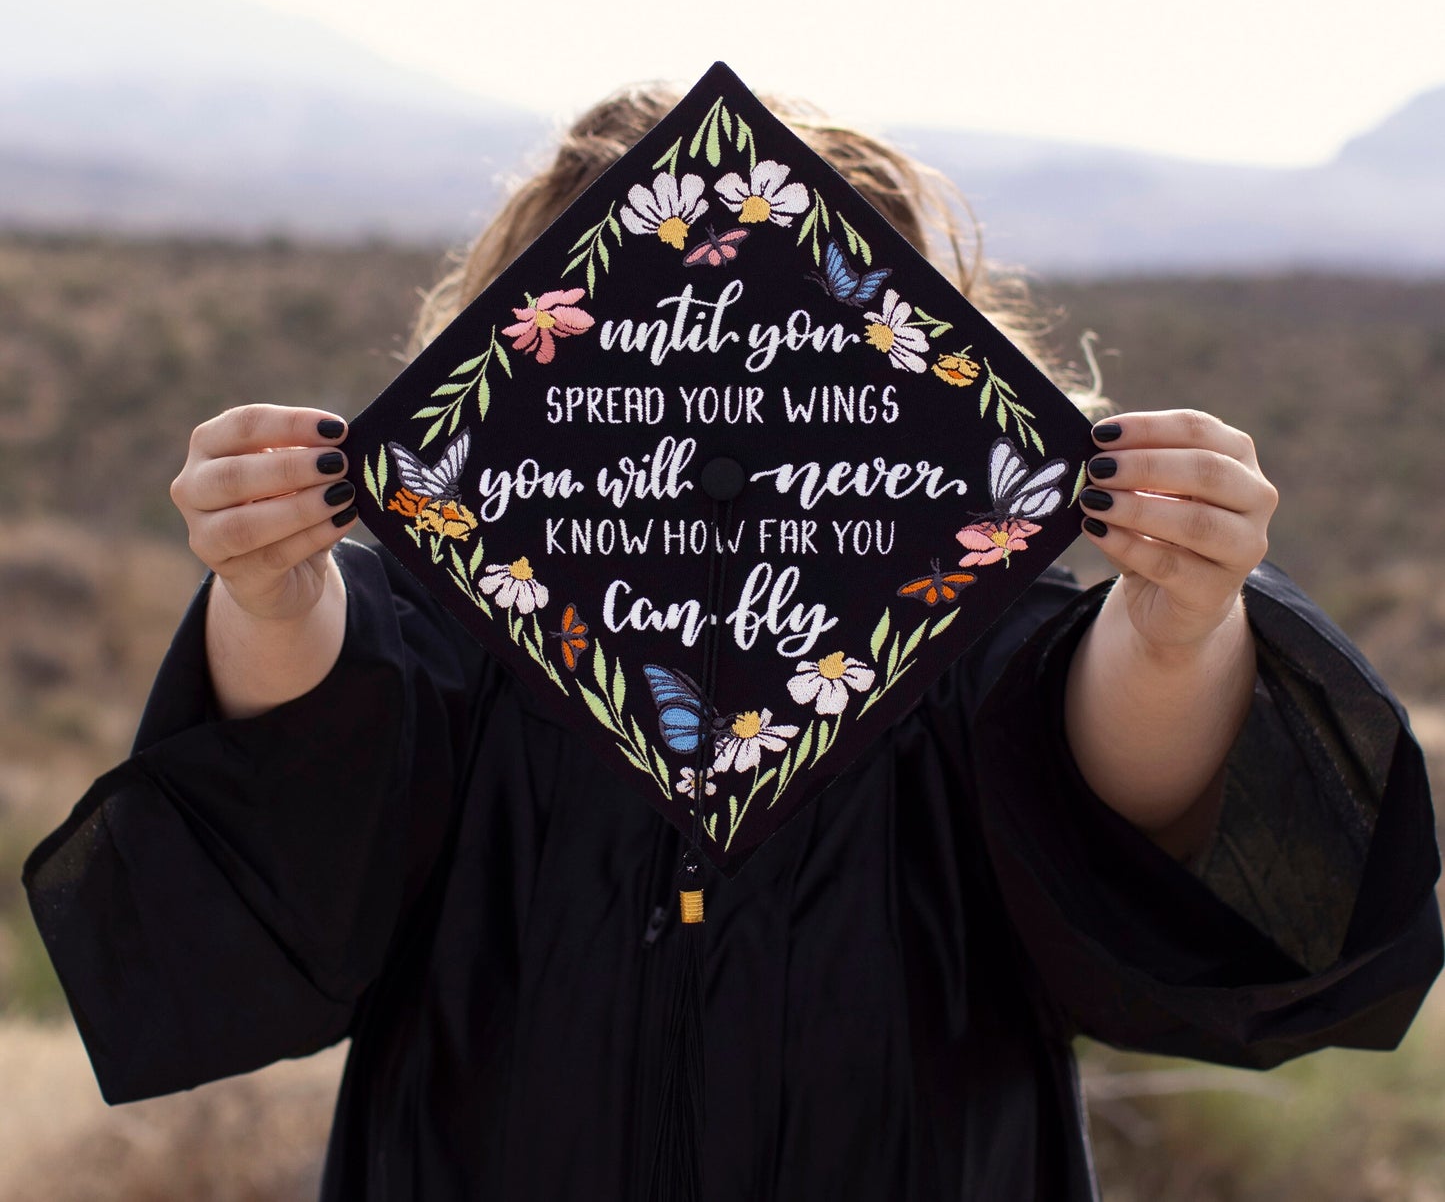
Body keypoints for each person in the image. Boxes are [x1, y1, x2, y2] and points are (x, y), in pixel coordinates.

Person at [24, 86, 1443, 1202]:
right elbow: (325, 738)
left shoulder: (959, 628)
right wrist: (274, 594)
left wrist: (1181, 619)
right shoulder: (451, 623)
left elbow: (1112, 760)